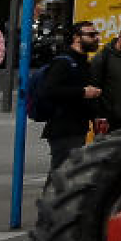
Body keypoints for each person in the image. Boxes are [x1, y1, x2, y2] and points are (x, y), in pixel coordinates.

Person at [42, 22, 103, 176]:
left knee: (69, 174)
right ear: (76, 38)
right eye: (91, 35)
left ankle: (55, 199)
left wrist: (95, 116)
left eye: (96, 34)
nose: (96, 38)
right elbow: (49, 90)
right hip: (63, 128)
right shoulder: (63, 61)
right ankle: (51, 200)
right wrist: (82, 92)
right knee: (62, 174)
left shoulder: (84, 63)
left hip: (77, 127)